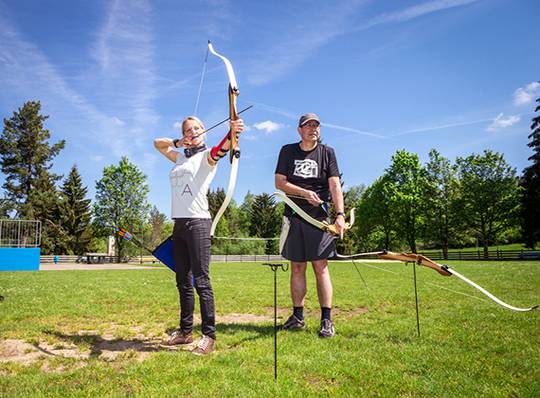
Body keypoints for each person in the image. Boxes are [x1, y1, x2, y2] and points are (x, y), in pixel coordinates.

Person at [154, 115, 244, 354]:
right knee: (182, 281)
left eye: (196, 128)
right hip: (179, 224)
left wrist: (233, 132)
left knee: (201, 282)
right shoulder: (180, 156)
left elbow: (222, 149)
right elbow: (157, 144)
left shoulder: (206, 157)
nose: (192, 131)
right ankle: (185, 332)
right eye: (187, 129)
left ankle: (209, 337)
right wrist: (177, 141)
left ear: (204, 132)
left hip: (198, 224)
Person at [274, 113, 346, 338]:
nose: (313, 129)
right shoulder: (287, 151)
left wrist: (340, 215)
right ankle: (297, 317)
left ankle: (326, 320)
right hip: (295, 215)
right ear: (299, 130)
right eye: (308, 125)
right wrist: (304, 192)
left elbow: (334, 186)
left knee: (320, 266)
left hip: (319, 219)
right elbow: (280, 182)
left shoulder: (327, 153)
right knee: (297, 267)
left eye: (316, 125)